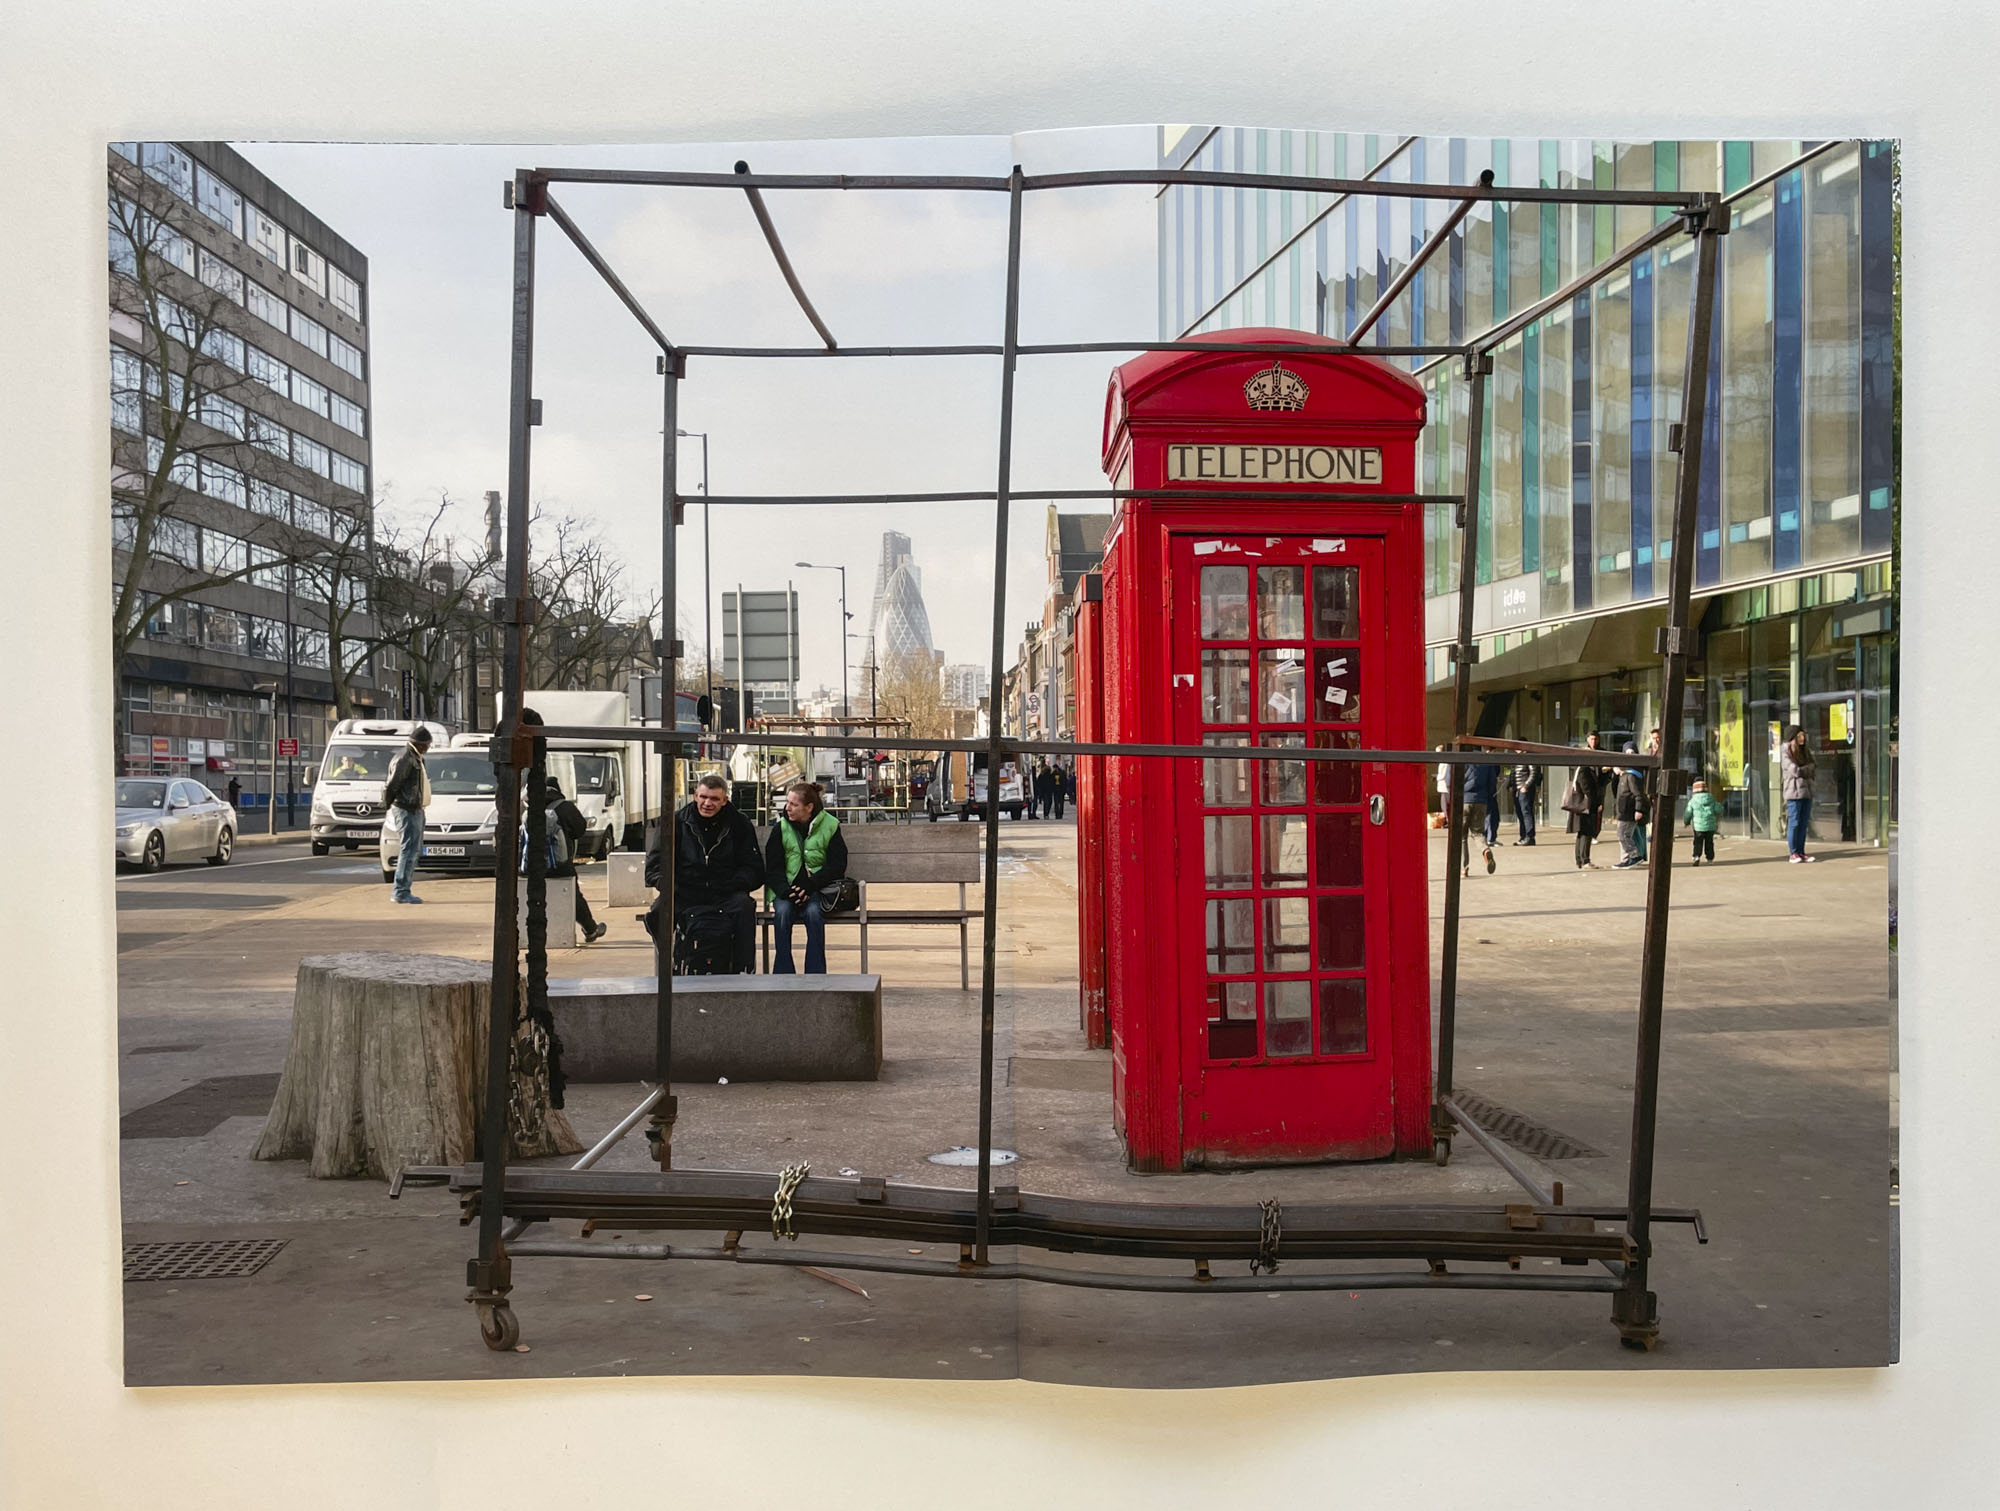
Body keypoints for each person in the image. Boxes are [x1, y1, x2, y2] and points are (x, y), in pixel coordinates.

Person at [647, 771, 764, 972]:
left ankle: (744, 971)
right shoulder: (675, 823)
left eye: (714, 799)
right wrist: (668, 884)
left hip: (726, 892)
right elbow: (654, 866)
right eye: (703, 797)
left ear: (725, 800)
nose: (707, 803)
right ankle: (669, 969)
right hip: (685, 891)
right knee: (660, 911)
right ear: (695, 795)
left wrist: (735, 884)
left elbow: (754, 868)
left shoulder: (740, 824)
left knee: (745, 908)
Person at [763, 780, 849, 975]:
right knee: (783, 913)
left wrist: (810, 885)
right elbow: (773, 868)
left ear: (809, 807)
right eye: (787, 803)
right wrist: (785, 890)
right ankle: (783, 972)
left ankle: (816, 973)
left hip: (816, 888)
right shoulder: (781, 827)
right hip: (786, 890)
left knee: (813, 914)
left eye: (794, 804)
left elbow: (837, 866)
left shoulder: (831, 825)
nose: (788, 808)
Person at [537, 776, 606, 943]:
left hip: (532, 865)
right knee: (573, 896)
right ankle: (590, 929)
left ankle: (535, 936)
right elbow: (580, 829)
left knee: (535, 897)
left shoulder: (529, 806)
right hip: (561, 864)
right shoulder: (565, 807)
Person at [381, 726, 432, 904]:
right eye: (427, 745)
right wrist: (387, 804)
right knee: (408, 850)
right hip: (406, 809)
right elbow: (392, 784)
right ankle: (401, 891)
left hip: (415, 809)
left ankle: (403, 889)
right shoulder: (406, 758)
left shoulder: (415, 757)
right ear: (421, 744)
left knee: (412, 850)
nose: (428, 748)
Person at [1563, 732, 1609, 871]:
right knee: (1586, 832)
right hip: (1586, 805)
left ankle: (1580, 860)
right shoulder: (1584, 769)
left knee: (1582, 833)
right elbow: (1587, 787)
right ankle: (1585, 860)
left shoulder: (1582, 768)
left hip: (1582, 804)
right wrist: (1595, 801)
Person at [1780, 725, 1819, 863]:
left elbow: (1813, 766)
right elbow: (1794, 770)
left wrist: (1805, 770)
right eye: (1800, 736)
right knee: (1794, 823)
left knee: (1803, 823)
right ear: (1793, 738)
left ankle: (1801, 852)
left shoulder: (1805, 751)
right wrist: (1806, 770)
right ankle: (1793, 853)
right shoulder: (1785, 752)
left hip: (1807, 792)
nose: (1803, 738)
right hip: (1793, 793)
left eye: (1803, 735)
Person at [1461, 760, 1500, 876]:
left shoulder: (1463, 760)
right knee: (1478, 833)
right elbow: (1492, 782)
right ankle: (1485, 850)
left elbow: (1453, 780)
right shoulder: (1486, 761)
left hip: (1464, 800)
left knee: (1462, 836)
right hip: (1481, 801)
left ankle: (1464, 868)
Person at [1612, 744, 1646, 869]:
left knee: (1622, 835)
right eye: (1627, 753)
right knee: (1623, 835)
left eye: (1632, 753)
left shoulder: (1631, 776)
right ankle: (1625, 859)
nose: (1629, 756)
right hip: (1623, 810)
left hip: (1628, 811)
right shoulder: (1623, 776)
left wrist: (1638, 809)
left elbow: (1638, 794)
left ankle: (1634, 856)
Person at [1684, 778, 1721, 866]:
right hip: (1710, 826)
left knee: (1697, 842)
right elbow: (1718, 809)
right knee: (1709, 842)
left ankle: (1696, 856)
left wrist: (1686, 822)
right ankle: (1710, 858)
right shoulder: (1711, 798)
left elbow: (1688, 813)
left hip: (1698, 826)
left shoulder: (1693, 801)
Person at [1510, 761, 1542, 845]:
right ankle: (1523, 836)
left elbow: (1533, 773)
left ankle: (1530, 837)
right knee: (1520, 813)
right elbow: (1513, 773)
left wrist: (1525, 786)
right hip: (1516, 789)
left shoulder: (1528, 758)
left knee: (1526, 812)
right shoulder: (1516, 759)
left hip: (1524, 790)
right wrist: (1511, 785)